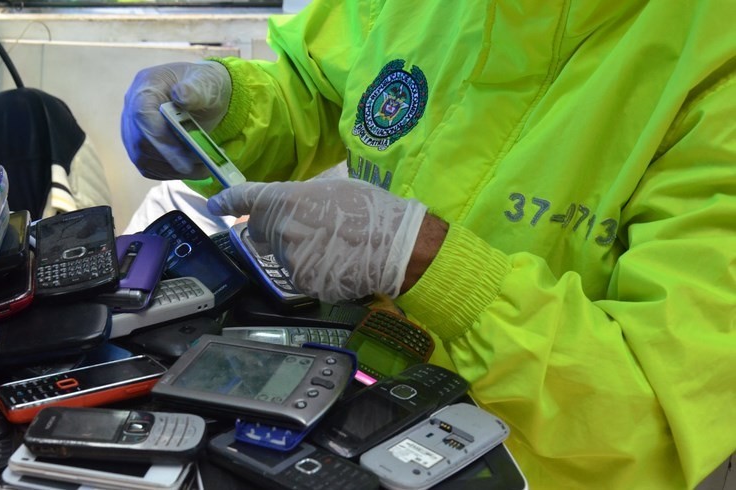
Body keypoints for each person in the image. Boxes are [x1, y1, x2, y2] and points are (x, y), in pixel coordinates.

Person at [120, 0, 735, 488]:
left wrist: (425, 261)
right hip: (351, 400)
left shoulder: (717, 65)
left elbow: (650, 413)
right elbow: (318, 85)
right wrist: (228, 110)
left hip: (527, 461)